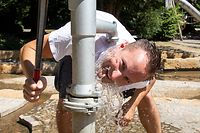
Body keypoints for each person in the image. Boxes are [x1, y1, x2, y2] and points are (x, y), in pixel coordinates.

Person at [20, 10, 161, 133]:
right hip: (76, 55)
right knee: (67, 101)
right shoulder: (76, 33)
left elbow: (150, 81)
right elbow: (30, 48)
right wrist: (33, 77)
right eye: (121, 65)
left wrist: (131, 106)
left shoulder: (137, 72)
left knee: (145, 97)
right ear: (122, 45)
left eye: (126, 79)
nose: (113, 76)